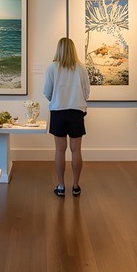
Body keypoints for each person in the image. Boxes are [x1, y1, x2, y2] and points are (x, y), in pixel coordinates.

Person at [43, 37, 91, 197]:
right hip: (76, 112)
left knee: (59, 150)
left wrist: (58, 98)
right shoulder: (81, 68)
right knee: (76, 150)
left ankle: (61, 186)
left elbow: (47, 92)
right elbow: (87, 92)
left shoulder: (52, 67)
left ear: (59, 49)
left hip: (58, 112)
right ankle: (76, 186)